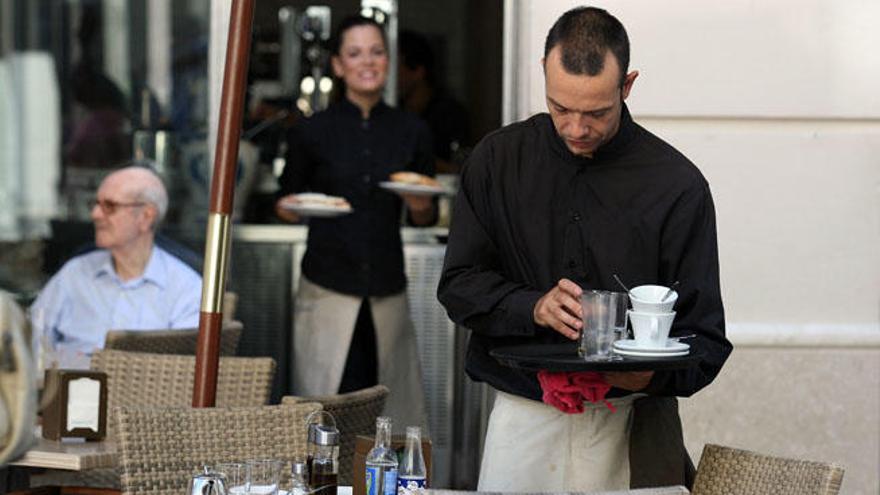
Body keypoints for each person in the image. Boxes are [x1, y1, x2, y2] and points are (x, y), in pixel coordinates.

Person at [437, 6, 732, 492]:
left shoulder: (677, 186)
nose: (576, 128)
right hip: (524, 416)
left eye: (596, 112)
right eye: (560, 108)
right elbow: (458, 285)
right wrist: (532, 306)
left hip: (634, 421)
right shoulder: (497, 160)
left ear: (627, 85)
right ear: (544, 75)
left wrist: (646, 378)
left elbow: (706, 339)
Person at [275, 16, 433, 428]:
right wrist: (292, 207)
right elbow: (283, 202)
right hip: (327, 285)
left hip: (386, 289)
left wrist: (418, 204)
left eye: (377, 52)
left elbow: (425, 214)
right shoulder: (310, 131)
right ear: (338, 65)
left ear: (389, 60)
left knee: (393, 414)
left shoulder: (411, 130)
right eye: (355, 53)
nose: (368, 61)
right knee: (321, 411)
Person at [30, 166, 202, 369]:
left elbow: (183, 369)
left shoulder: (186, 288)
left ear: (146, 217)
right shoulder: (75, 272)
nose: (95, 214)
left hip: (144, 397)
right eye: (95, 204)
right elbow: (31, 337)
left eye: (109, 206)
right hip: (65, 393)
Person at [397, 30, 470, 174]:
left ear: (418, 71)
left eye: (396, 67)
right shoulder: (394, 111)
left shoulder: (449, 114)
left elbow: (460, 169)